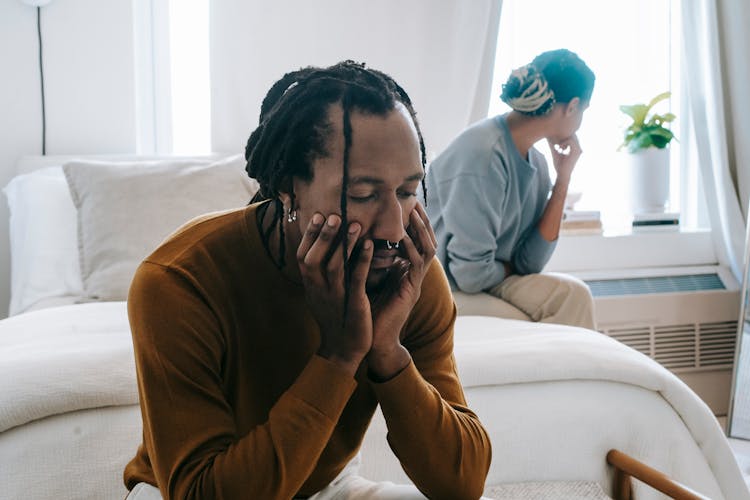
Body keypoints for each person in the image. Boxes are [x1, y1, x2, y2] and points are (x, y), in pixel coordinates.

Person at [124, 60, 492, 500]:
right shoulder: (179, 282)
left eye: (407, 191)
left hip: (325, 484)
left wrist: (387, 352)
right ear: (287, 186)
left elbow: (463, 484)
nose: (395, 228)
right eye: (362, 195)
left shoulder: (405, 271)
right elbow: (204, 493)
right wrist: (339, 355)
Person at [424, 49, 597, 329]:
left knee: (573, 296)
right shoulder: (482, 154)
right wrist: (510, 267)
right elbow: (469, 275)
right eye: (584, 112)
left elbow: (530, 263)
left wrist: (563, 179)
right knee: (540, 321)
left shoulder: (537, 163)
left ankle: (577, 371)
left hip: (485, 283)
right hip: (444, 289)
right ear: (572, 106)